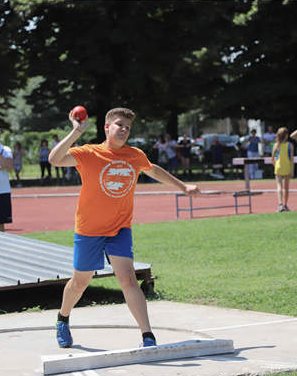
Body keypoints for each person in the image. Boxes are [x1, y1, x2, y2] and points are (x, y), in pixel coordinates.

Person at [49, 107, 201, 349]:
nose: (124, 129)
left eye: (128, 127)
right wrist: (77, 131)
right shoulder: (90, 153)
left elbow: (153, 170)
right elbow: (55, 159)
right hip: (89, 229)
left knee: (128, 280)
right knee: (80, 283)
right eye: (119, 124)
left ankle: (148, 336)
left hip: (119, 228)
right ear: (107, 128)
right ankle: (63, 318)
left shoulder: (134, 155)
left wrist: (183, 186)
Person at [271, 127, 294, 212]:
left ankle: (280, 204)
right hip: (287, 167)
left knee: (279, 186)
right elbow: (292, 159)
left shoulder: (276, 145)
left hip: (279, 167)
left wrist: (274, 163)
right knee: (286, 187)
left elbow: (272, 158)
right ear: (286, 135)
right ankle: (285, 205)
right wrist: (292, 171)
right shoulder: (290, 145)